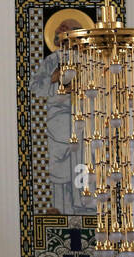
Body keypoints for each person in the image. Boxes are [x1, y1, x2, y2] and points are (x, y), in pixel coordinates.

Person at [30, 18, 91, 214]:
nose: (66, 40)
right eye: (62, 34)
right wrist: (54, 79)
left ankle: (83, 203)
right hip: (58, 118)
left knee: (82, 163)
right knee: (58, 163)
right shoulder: (51, 60)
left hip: (82, 118)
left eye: (71, 34)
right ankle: (60, 206)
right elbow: (36, 87)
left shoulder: (87, 60)